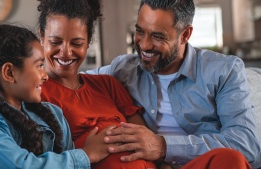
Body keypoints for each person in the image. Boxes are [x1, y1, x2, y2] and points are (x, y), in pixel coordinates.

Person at [86, 0, 261, 168]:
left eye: (157, 36)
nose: (144, 45)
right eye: (140, 32)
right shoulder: (123, 69)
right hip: (145, 166)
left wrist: (163, 147)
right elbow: (73, 82)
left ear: (185, 34)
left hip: (202, 165)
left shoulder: (224, 70)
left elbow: (245, 144)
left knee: (231, 160)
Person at [0, 24, 113, 169]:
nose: (45, 76)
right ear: (9, 73)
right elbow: (19, 166)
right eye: (39, 65)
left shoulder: (54, 113)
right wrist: (86, 155)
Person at [38, 0, 156, 168]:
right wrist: (85, 151)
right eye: (55, 42)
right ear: (41, 36)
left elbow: (145, 139)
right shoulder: (36, 92)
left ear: (88, 41)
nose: (65, 52)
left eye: (76, 43)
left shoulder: (107, 84)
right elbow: (39, 157)